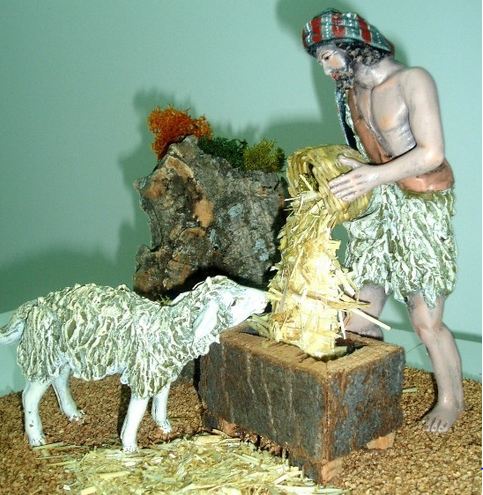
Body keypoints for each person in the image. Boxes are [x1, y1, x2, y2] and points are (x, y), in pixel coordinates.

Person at [302, 8, 463, 433]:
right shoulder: (354, 92)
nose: (326, 69)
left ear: (351, 47)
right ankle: (360, 398)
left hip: (421, 205)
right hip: (380, 205)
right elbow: (371, 152)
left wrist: (372, 176)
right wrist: (351, 169)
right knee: (359, 314)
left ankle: (451, 399)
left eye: (327, 56)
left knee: (425, 320)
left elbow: (431, 152)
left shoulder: (413, 81)